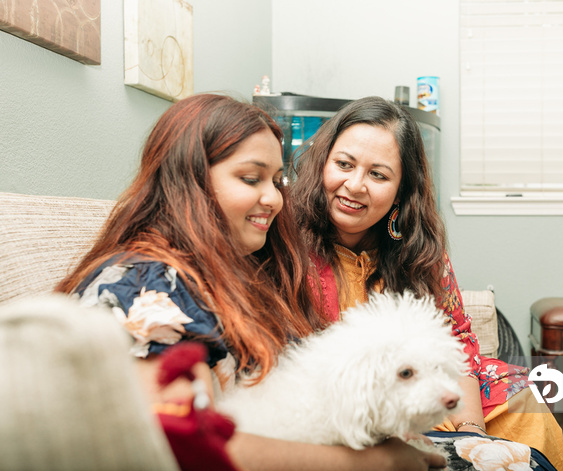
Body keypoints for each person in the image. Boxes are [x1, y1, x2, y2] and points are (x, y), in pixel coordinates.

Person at [55, 93, 446, 471]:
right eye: (250, 178)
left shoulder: (237, 276)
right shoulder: (145, 288)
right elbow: (178, 447)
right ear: (187, 181)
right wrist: (374, 463)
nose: (275, 199)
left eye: (276, 180)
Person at [290, 96, 563, 470]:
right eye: (343, 165)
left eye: (378, 175)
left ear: (401, 192)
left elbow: (458, 343)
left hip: (430, 389)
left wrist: (471, 434)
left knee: (522, 401)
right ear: (323, 162)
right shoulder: (283, 239)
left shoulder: (420, 252)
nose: (354, 185)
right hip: (335, 403)